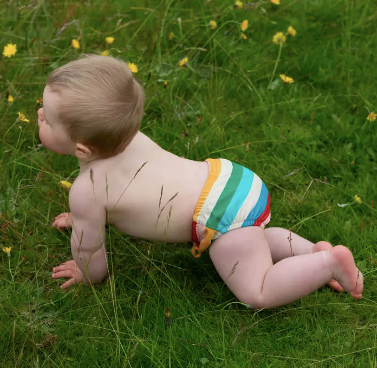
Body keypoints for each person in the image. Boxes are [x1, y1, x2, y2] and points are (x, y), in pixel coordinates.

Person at [37, 55, 363, 309]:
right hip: (231, 178)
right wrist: (84, 219)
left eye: (47, 119)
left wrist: (83, 269)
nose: (39, 115)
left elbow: (93, 264)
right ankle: (310, 251)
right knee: (252, 237)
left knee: (257, 291)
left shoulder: (86, 192)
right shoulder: (129, 136)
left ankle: (327, 264)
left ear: (82, 149)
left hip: (218, 215)